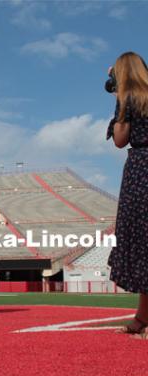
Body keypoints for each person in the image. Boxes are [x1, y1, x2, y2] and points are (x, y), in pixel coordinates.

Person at [106, 51, 148, 338]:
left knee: (142, 242)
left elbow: (120, 140)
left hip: (141, 170)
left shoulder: (128, 98)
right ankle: (142, 318)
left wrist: (118, 102)